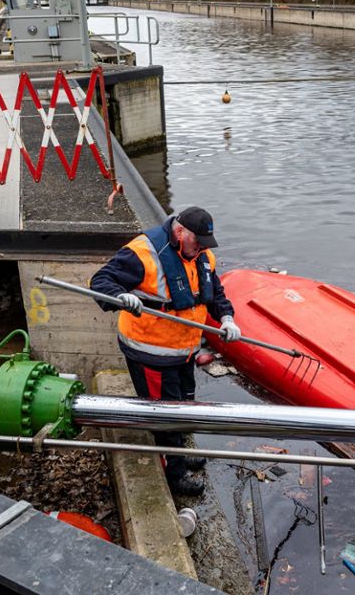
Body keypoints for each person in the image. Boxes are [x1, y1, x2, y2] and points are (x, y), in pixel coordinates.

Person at [90, 206, 241, 496]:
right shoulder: (142, 253)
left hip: (184, 350)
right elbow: (100, 282)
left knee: (184, 402)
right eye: (197, 242)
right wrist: (121, 297)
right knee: (165, 415)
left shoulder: (202, 255)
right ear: (179, 231)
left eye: (205, 244)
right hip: (152, 354)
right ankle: (174, 473)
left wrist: (227, 317)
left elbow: (215, 293)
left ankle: (180, 453)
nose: (200, 249)